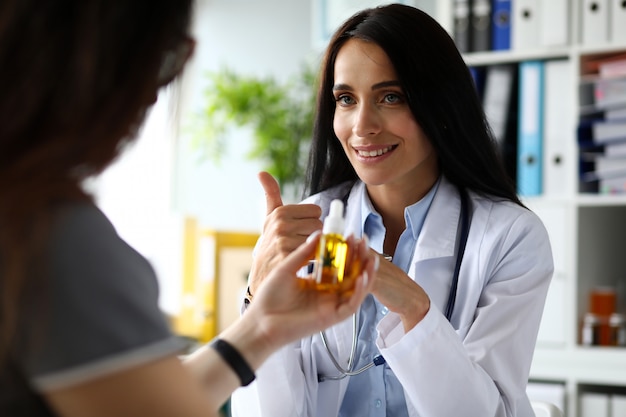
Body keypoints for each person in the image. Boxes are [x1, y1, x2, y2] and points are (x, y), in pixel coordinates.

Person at [0, 1, 378, 417]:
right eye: (164, 60)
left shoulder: (28, 218)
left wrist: (264, 327)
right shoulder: (58, 241)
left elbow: (136, 399)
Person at [232, 4, 554, 417]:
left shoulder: (510, 237)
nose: (362, 125)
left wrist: (414, 309)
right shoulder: (306, 230)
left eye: (390, 97)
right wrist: (259, 299)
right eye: (346, 99)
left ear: (439, 106)